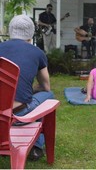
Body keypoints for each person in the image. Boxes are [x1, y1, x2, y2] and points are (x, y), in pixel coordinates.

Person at [0, 14, 55, 161]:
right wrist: (33, 89)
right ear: (30, 35)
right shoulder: (37, 52)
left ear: (10, 31)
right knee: (49, 95)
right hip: (18, 114)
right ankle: (36, 146)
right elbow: (46, 86)